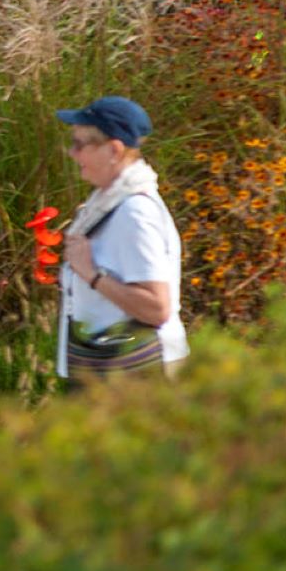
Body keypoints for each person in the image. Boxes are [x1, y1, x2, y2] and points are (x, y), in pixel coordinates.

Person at [55, 96, 188, 380]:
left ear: (114, 150)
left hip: (139, 374)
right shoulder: (107, 203)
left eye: (80, 145)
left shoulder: (134, 213)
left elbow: (157, 308)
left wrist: (91, 275)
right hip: (112, 369)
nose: (72, 153)